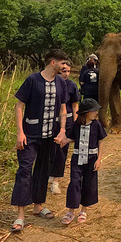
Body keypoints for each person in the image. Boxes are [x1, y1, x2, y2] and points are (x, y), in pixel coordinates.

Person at [9, 49, 70, 232]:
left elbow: (63, 109)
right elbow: (19, 106)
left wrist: (62, 131)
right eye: (62, 63)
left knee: (43, 170)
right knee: (25, 170)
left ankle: (38, 205)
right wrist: (20, 132)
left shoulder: (61, 82)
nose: (65, 66)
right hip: (30, 134)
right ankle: (20, 214)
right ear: (53, 62)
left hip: (50, 135)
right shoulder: (33, 80)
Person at [60, 98, 106, 225]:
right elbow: (73, 138)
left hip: (91, 159)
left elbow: (101, 141)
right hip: (77, 159)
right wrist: (64, 141)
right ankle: (70, 211)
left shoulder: (97, 125)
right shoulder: (77, 124)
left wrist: (99, 159)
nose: (96, 112)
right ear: (86, 112)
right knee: (74, 183)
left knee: (88, 184)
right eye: (94, 110)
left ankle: (83, 211)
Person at [48, 63, 80, 194]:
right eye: (64, 71)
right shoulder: (51, 83)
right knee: (48, 149)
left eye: (68, 71)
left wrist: (75, 124)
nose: (66, 74)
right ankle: (47, 174)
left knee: (61, 151)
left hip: (66, 121)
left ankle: (56, 180)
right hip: (51, 120)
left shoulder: (72, 86)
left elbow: (74, 105)